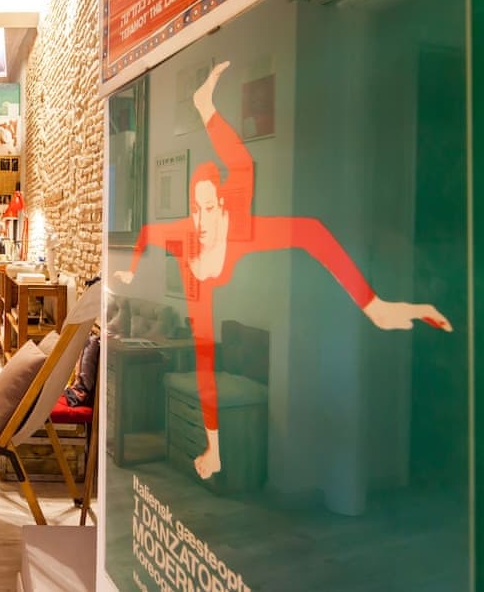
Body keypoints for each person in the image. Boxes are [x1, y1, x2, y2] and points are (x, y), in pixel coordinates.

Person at [115, 61, 452, 481]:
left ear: (221, 206)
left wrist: (373, 304)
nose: (200, 219)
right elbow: (147, 233)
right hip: (199, 283)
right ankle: (214, 449)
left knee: (265, 188)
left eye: (208, 207)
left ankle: (205, 106)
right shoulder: (186, 236)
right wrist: (130, 272)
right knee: (203, 358)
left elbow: (311, 233)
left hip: (231, 239)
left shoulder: (238, 224)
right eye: (195, 209)